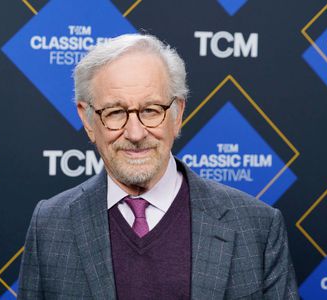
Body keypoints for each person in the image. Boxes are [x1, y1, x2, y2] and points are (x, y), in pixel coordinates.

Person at [18, 34, 299, 299]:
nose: (136, 133)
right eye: (115, 112)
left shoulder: (258, 226)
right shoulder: (50, 225)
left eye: (151, 110)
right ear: (88, 120)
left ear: (177, 115)